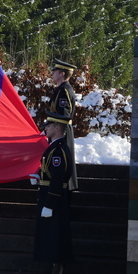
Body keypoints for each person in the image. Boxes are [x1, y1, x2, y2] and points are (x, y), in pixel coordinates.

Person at [29, 111, 75, 274]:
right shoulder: (55, 148)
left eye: (48, 125)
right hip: (50, 198)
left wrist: (50, 205)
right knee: (52, 241)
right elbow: (51, 175)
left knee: (56, 243)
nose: (45, 128)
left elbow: (57, 180)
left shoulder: (58, 150)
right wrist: (40, 179)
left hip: (55, 201)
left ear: (58, 128)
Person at [49, 58, 78, 191]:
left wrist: (57, 133)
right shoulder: (60, 89)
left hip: (61, 131)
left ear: (62, 74)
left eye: (55, 71)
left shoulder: (64, 91)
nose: (52, 73)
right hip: (58, 130)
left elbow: (63, 116)